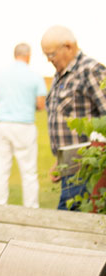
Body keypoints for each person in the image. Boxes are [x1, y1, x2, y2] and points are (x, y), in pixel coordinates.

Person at [40, 25, 106, 210]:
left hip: (86, 168)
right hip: (69, 164)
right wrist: (60, 162)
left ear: (68, 46)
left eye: (51, 54)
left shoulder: (90, 70)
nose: (48, 60)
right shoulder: (61, 74)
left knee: (67, 223)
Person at [0, 43, 47, 208]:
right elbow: (41, 105)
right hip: (24, 126)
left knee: (1, 170)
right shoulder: (35, 76)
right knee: (29, 171)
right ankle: (31, 209)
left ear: (15, 55)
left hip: (2, 125)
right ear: (28, 56)